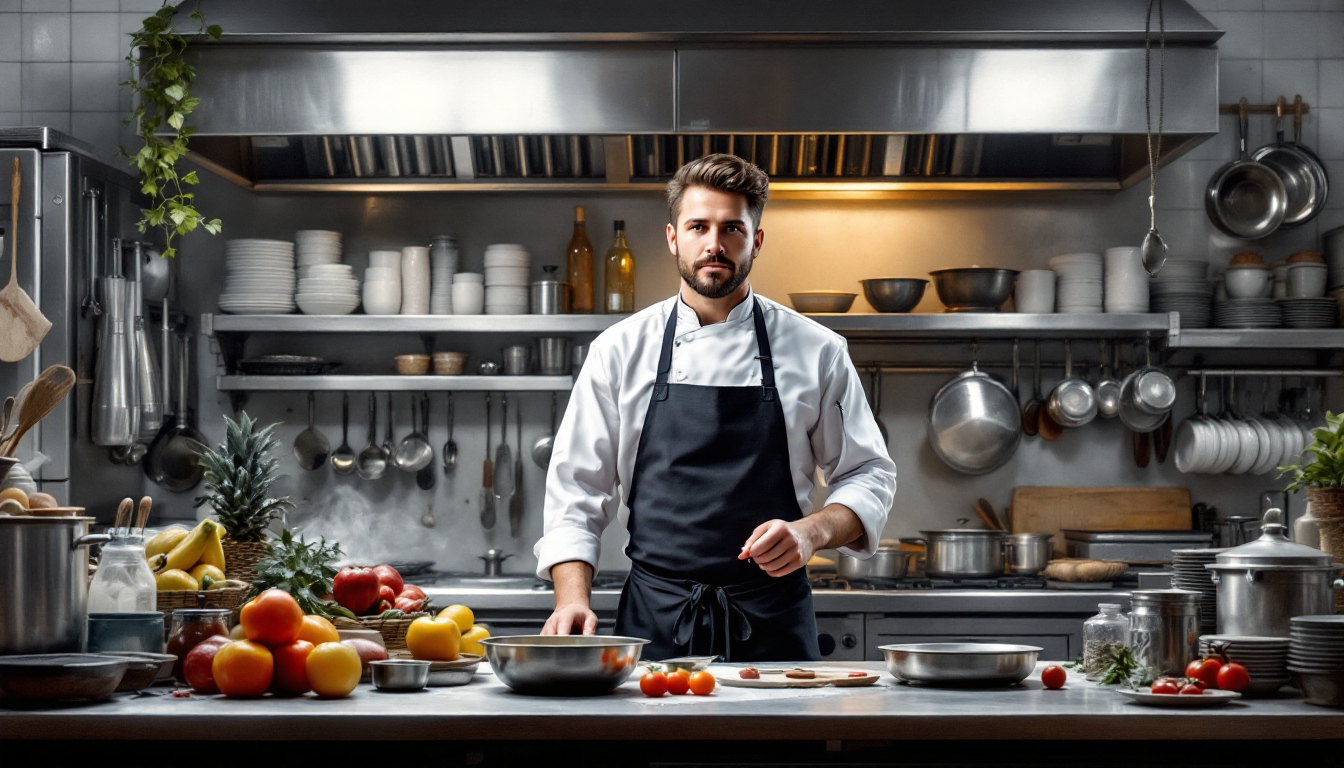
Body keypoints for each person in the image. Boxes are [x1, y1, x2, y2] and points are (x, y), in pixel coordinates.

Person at [534, 153, 896, 661]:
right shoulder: (618, 350)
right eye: (698, 226)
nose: (714, 244)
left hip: (773, 625)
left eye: (732, 229)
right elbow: (576, 490)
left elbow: (869, 474)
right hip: (656, 623)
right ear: (672, 237)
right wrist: (572, 599)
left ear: (757, 240)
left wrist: (811, 531)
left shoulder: (817, 350)